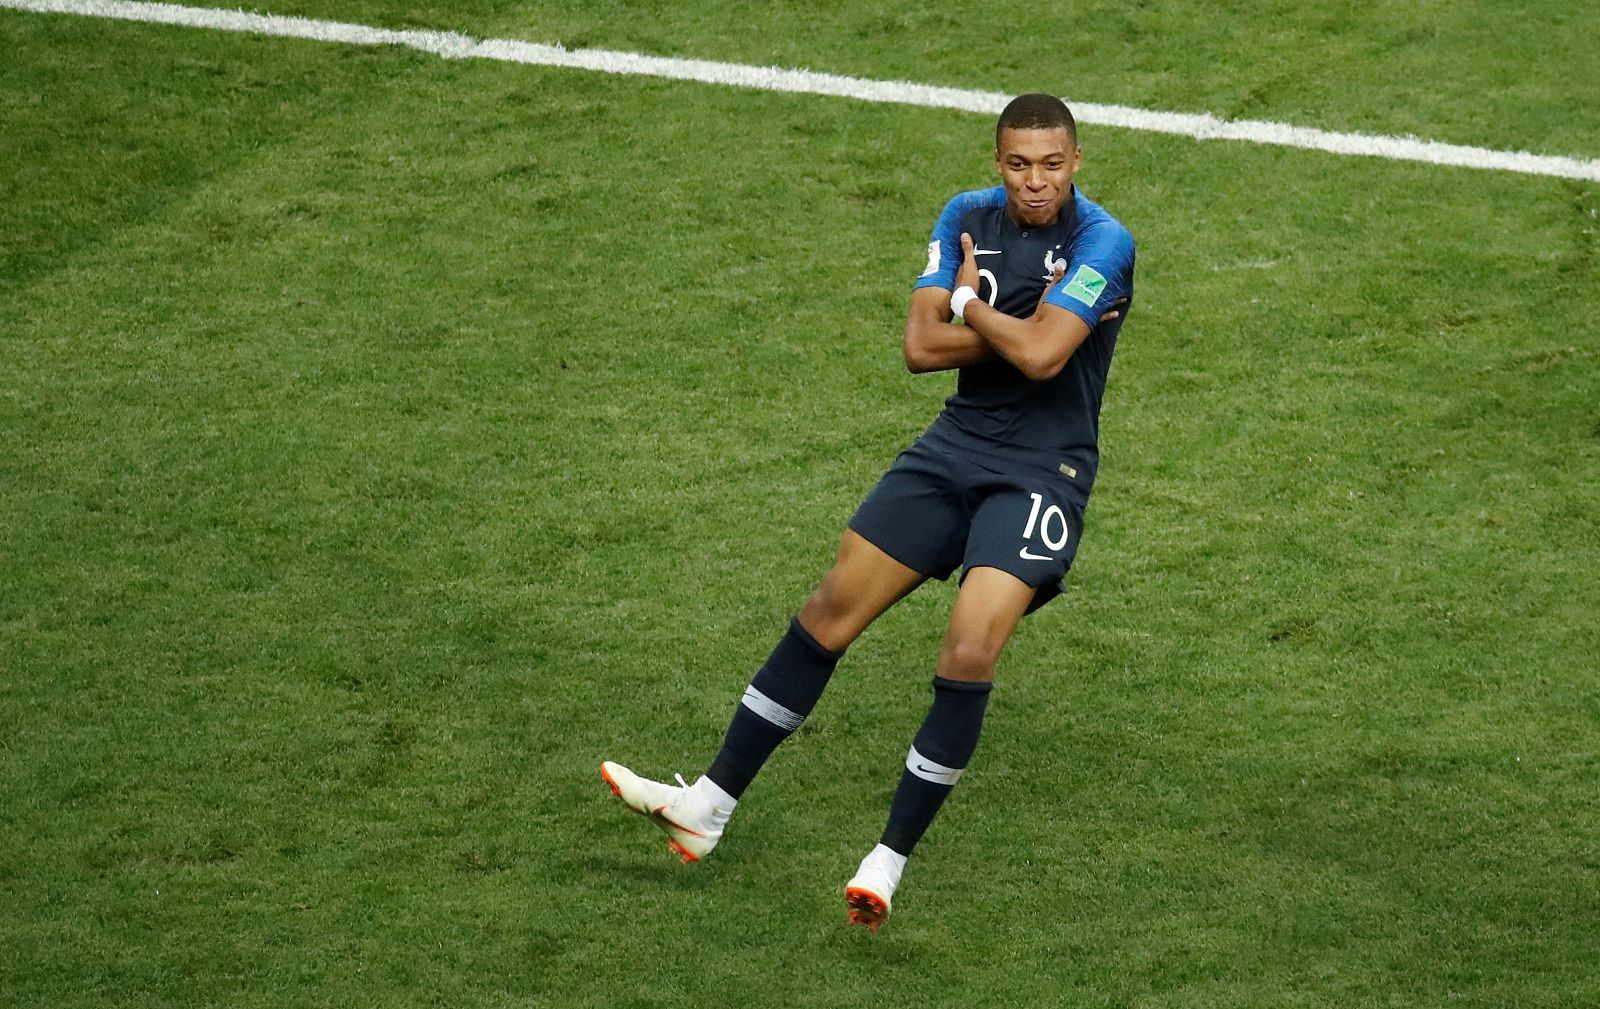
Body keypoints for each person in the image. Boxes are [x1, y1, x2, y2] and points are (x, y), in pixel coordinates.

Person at [601, 93, 1135, 933]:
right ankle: (707, 804)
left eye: (1052, 164)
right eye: (1018, 164)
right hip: (954, 445)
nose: (1035, 182)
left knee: (967, 648)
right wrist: (1018, 322)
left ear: (1078, 160)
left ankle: (885, 863)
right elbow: (921, 351)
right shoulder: (966, 215)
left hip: (1043, 470)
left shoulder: (1106, 240)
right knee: (827, 612)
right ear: (998, 162)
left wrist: (968, 307)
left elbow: (1039, 360)